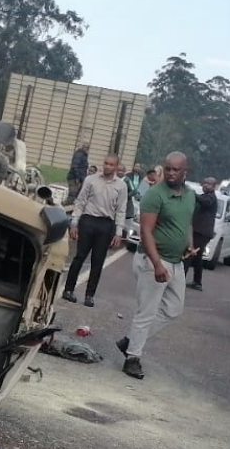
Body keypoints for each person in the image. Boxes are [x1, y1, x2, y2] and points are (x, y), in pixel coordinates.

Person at [117, 152, 197, 380]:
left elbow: (187, 221)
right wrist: (156, 264)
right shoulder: (155, 195)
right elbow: (146, 232)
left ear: (185, 172)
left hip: (176, 261)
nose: (171, 173)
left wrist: (189, 244)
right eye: (168, 168)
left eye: (176, 170)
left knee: (173, 309)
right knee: (146, 311)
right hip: (154, 260)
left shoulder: (190, 195)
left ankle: (131, 341)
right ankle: (132, 358)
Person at [60, 154, 128, 307]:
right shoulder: (91, 180)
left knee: (97, 261)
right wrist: (74, 223)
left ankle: (90, 295)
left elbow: (121, 210)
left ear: (116, 167)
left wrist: (118, 232)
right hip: (88, 220)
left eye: (111, 165)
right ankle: (68, 290)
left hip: (105, 224)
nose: (107, 167)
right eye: (105, 163)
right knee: (79, 257)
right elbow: (80, 201)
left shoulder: (121, 186)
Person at [183, 177, 218, 291]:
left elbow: (205, 203)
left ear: (214, 187)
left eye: (209, 184)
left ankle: (179, 279)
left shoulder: (211, 198)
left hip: (202, 233)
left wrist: (193, 194)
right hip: (198, 231)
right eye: (205, 183)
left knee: (189, 253)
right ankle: (197, 282)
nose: (206, 185)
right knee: (197, 258)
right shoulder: (204, 196)